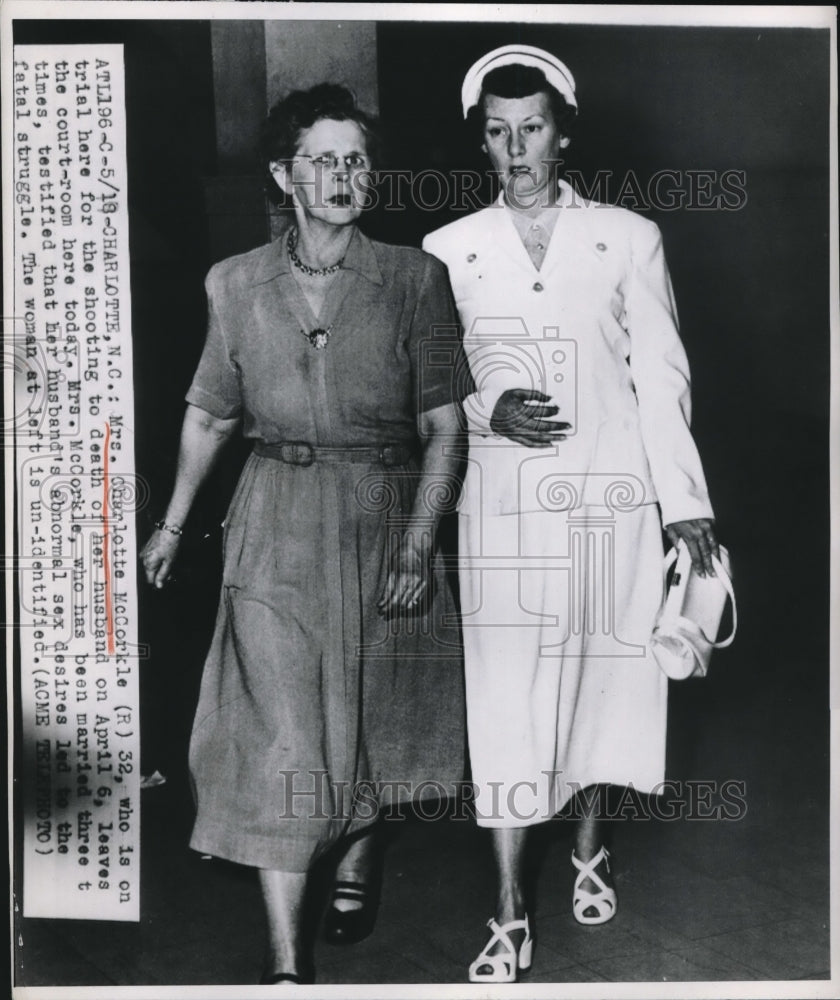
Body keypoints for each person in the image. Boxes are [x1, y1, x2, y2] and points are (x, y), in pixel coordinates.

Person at [140, 83, 466, 985]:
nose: (342, 175)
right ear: (285, 175)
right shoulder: (233, 283)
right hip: (272, 525)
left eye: (356, 158)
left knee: (372, 723)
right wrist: (171, 525)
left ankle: (362, 851)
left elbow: (445, 427)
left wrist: (416, 541)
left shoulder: (415, 280)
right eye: (322, 159)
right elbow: (209, 414)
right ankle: (287, 967)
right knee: (282, 732)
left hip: (382, 517)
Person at [423, 45, 720, 982]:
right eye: (499, 134)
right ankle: (508, 909)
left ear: (563, 130)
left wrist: (685, 506)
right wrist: (485, 409)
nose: (518, 150)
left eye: (534, 128)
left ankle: (589, 842)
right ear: (482, 142)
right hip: (503, 508)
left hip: (615, 500)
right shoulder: (449, 249)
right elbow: (430, 384)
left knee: (601, 686)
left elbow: (661, 377)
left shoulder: (628, 237)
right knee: (506, 703)